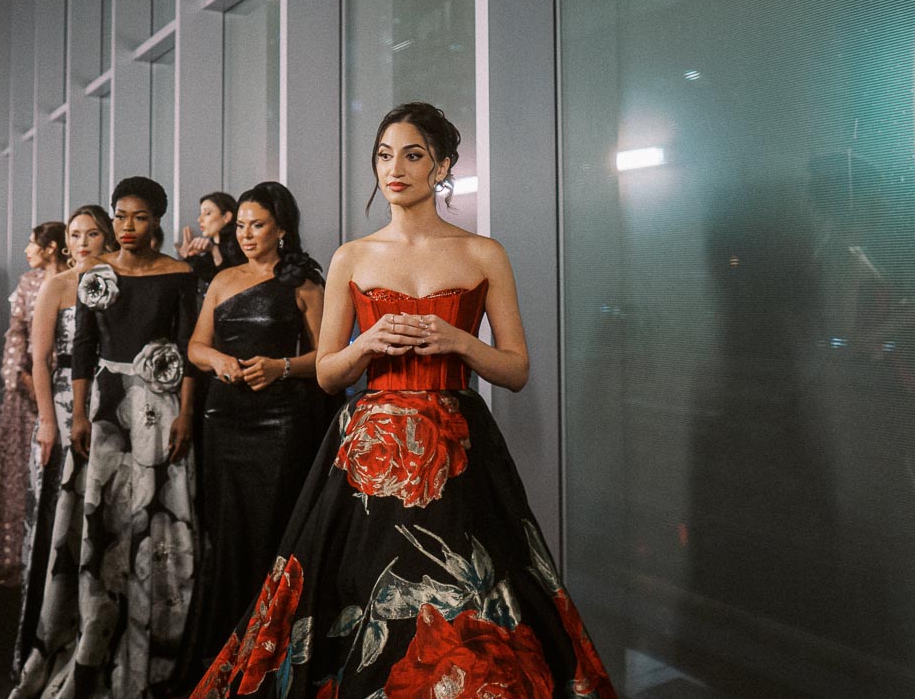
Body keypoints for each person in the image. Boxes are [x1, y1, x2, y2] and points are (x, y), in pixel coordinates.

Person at [189, 104, 617, 698]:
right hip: (368, 453)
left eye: (414, 155)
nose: (396, 168)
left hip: (458, 452)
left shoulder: (483, 253)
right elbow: (329, 375)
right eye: (385, 155)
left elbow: (516, 369)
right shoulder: (352, 257)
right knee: (359, 599)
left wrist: (459, 341)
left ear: (442, 166)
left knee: (472, 602)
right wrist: (364, 345)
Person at [31, 176, 196, 696]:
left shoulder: (179, 274)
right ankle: (94, 639)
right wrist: (76, 414)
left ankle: (154, 646)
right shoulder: (95, 276)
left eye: (139, 217)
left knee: (154, 519)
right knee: (104, 518)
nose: (127, 226)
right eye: (120, 216)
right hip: (103, 406)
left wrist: (186, 414)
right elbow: (81, 347)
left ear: (157, 221)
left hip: (160, 405)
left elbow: (191, 350)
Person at [179, 182, 326, 682]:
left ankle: (269, 654)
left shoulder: (303, 284)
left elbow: (328, 361)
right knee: (226, 532)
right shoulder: (222, 280)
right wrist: (217, 358)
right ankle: (225, 649)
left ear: (282, 228)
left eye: (256, 225)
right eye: (239, 225)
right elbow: (196, 348)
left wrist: (281, 367)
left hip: (282, 423)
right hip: (223, 421)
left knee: (271, 532)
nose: (245, 234)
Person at [11, 203, 116, 690]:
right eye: (75, 234)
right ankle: (48, 634)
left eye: (92, 234)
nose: (82, 242)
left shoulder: (120, 281)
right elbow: (39, 360)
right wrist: (47, 424)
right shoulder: (56, 286)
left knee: (106, 519)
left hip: (113, 409)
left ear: (107, 237)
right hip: (59, 403)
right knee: (59, 522)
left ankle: (102, 636)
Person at [0, 222, 67, 589]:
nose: (28, 249)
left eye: (33, 243)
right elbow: (16, 333)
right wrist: (18, 377)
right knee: (20, 472)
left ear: (52, 247)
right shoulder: (28, 282)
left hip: (65, 387)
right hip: (25, 389)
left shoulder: (76, 280)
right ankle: (14, 557)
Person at [178, 192, 245, 311]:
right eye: (200, 214)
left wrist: (214, 251)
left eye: (207, 213)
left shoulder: (240, 246)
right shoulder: (208, 250)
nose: (200, 219)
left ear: (226, 217)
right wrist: (189, 257)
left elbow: (233, 284)